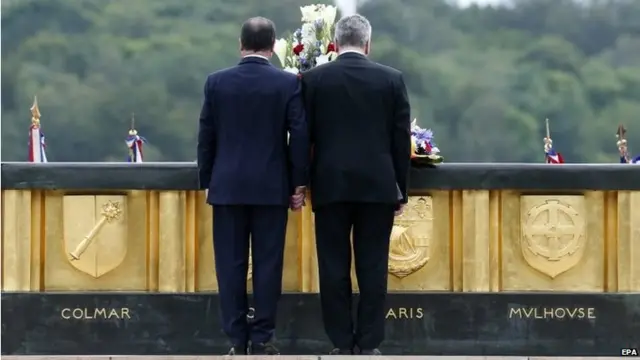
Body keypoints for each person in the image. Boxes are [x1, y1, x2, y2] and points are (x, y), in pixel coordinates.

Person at [197, 17, 309, 356]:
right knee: (267, 264)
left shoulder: (216, 83)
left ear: (240, 43)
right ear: (274, 46)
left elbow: (206, 137)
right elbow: (299, 136)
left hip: (227, 187)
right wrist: (298, 183)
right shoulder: (287, 84)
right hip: (271, 188)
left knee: (229, 266)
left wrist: (208, 181)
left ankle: (235, 339)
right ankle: (262, 339)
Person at [301, 14, 411, 356]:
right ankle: (369, 343)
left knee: (333, 267)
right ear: (367, 43)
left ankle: (340, 342)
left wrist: (301, 182)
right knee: (373, 266)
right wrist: (401, 189)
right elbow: (400, 140)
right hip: (378, 186)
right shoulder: (391, 79)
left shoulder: (314, 80)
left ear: (334, 43)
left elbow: (304, 137)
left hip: (330, 184)